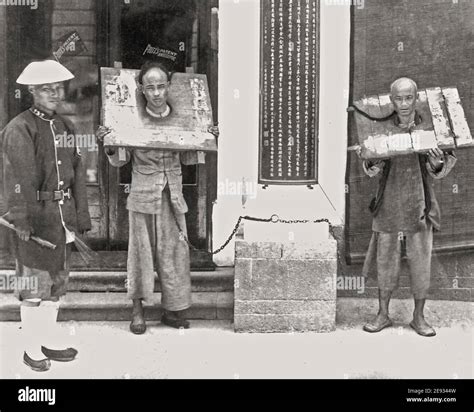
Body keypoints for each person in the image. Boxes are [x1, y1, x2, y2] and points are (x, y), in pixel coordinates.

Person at [97, 61, 217, 334]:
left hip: (173, 196)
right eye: (150, 87)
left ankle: (173, 309)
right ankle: (137, 309)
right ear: (141, 89)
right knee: (140, 254)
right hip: (142, 195)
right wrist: (110, 143)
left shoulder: (181, 115)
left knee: (174, 252)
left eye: (161, 86)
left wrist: (204, 136)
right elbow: (119, 161)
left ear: (169, 87)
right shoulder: (129, 117)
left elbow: (188, 157)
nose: (156, 93)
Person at [1, 60, 91, 371]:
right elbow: (16, 180)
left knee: (55, 288)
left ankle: (47, 341)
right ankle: (30, 349)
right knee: (34, 289)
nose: (54, 93)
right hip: (35, 221)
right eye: (45, 89)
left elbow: (77, 174)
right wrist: (21, 221)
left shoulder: (65, 126)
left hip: (61, 220)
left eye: (58, 87)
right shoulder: (19, 128)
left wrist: (80, 217)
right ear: (32, 92)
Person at [359, 77, 456, 337]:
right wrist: (374, 162)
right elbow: (368, 167)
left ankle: (419, 317)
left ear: (416, 99)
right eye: (398, 98)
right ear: (391, 100)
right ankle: (382, 314)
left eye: (408, 98)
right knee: (385, 260)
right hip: (389, 201)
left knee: (420, 261)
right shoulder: (381, 128)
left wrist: (436, 162)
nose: (403, 103)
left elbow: (440, 169)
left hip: (419, 202)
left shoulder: (429, 127)